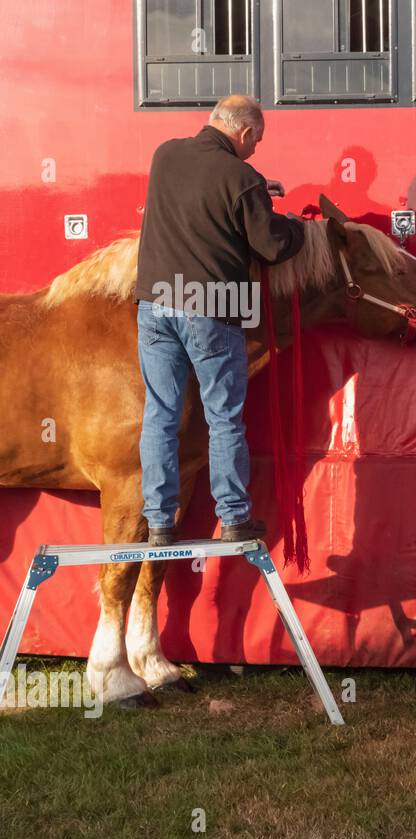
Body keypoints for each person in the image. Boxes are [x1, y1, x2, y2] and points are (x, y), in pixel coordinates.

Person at [134, 95, 306, 546]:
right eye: (257, 142)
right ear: (246, 133)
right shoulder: (241, 176)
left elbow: (200, 196)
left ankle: (158, 523)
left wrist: (251, 192)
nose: (256, 150)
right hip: (212, 304)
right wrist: (292, 225)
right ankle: (233, 517)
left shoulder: (166, 155)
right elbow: (270, 247)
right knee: (224, 419)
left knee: (161, 416)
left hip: (156, 302)